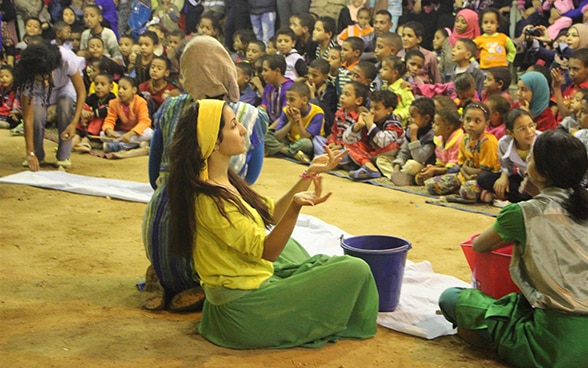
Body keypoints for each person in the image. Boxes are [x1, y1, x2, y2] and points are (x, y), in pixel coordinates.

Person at [167, 98, 378, 348]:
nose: (243, 130)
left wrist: (309, 174)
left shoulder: (222, 181)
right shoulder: (211, 200)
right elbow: (268, 251)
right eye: (234, 125)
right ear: (213, 142)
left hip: (243, 292)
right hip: (247, 314)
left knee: (291, 246)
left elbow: (271, 215)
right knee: (356, 269)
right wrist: (296, 208)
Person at [439, 130, 588, 368]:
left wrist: (528, 205)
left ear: (542, 173)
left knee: (453, 298)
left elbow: (479, 245)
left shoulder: (523, 213)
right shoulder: (582, 205)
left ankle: (495, 343)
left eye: (530, 158)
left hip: (554, 346)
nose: (526, 162)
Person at [143, 35, 268, 312]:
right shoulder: (248, 114)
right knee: (257, 245)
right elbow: (250, 180)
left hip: (156, 230)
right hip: (206, 243)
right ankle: (198, 282)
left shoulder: (171, 107)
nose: (241, 131)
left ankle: (161, 276)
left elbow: (154, 176)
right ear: (226, 68)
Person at [15, 43, 86, 170]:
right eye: (41, 79)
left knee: (65, 106)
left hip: (65, 86)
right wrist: (29, 152)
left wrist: (74, 123)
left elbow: (81, 93)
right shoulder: (27, 76)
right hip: (37, 91)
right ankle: (37, 154)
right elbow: (28, 119)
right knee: (37, 116)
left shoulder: (66, 60)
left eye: (47, 77)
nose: (46, 83)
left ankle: (64, 156)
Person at [425, 102, 500, 202]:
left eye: (477, 121)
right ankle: (467, 191)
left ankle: (488, 193)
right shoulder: (465, 139)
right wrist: (466, 175)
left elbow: (485, 172)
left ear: (486, 123)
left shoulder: (488, 142)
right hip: (464, 176)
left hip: (482, 180)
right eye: (468, 120)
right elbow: (461, 164)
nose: (471, 124)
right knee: (431, 186)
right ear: (463, 121)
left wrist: (468, 173)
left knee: (467, 191)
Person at [477, 108, 539, 204]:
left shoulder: (542, 141)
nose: (529, 131)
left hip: (539, 182)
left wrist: (528, 184)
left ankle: (504, 196)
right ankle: (508, 195)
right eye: (522, 129)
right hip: (521, 178)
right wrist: (504, 177)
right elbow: (506, 166)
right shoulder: (504, 143)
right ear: (511, 133)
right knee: (483, 177)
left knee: (528, 195)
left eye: (531, 126)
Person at [346, 89, 404, 180]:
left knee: (392, 146)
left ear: (389, 110)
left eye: (376, 108)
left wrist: (370, 125)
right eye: (371, 107)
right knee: (349, 145)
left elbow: (383, 143)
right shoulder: (370, 118)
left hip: (387, 155)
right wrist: (357, 126)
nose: (372, 111)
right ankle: (370, 167)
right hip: (371, 154)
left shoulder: (394, 124)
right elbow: (347, 140)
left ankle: (366, 166)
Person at [380, 97, 436, 185]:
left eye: (413, 116)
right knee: (381, 159)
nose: (409, 119)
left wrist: (414, 137)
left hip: (423, 166)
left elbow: (420, 158)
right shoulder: (410, 130)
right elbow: (404, 152)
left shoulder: (431, 135)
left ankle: (409, 179)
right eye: (409, 116)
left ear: (426, 118)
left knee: (411, 165)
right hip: (407, 163)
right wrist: (396, 168)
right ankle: (398, 176)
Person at [265, 82, 325, 162]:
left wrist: (298, 120)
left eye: (292, 100)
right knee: (266, 135)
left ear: (304, 100)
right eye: (287, 99)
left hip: (306, 144)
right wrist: (291, 122)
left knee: (305, 143)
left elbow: (306, 137)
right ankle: (293, 153)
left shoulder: (317, 113)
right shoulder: (286, 110)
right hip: (289, 141)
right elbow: (277, 136)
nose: (288, 103)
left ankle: (282, 151)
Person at [102, 76, 153, 154]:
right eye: (119, 88)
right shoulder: (113, 103)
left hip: (136, 133)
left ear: (134, 90)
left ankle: (119, 146)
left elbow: (144, 122)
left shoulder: (141, 102)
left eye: (124, 88)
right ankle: (134, 145)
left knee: (149, 133)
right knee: (102, 134)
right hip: (123, 133)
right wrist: (109, 130)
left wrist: (130, 134)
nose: (120, 91)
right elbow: (109, 119)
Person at [415, 107, 463, 186]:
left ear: (448, 128)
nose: (433, 126)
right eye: (433, 123)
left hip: (456, 170)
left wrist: (435, 170)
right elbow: (441, 162)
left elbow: (454, 166)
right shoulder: (439, 140)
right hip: (445, 169)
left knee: (452, 172)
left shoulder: (459, 140)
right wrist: (431, 168)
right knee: (421, 175)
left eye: (437, 124)